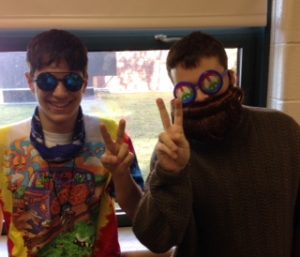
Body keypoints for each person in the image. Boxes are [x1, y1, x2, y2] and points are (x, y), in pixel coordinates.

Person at [132, 31, 300, 257]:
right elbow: (157, 239)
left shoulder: (283, 131)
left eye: (210, 83)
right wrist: (170, 174)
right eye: (187, 91)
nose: (201, 97)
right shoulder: (173, 153)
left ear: (231, 78)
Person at [0, 29, 144, 257]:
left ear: (84, 82)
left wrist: (121, 175)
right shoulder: (3, 143)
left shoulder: (113, 137)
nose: (60, 92)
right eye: (47, 81)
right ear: (30, 81)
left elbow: (140, 214)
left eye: (72, 80)